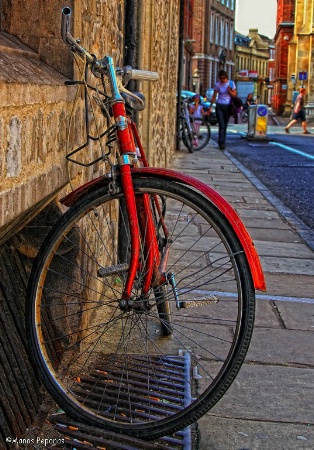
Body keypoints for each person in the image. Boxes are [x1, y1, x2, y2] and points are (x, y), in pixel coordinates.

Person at [208, 69, 236, 149]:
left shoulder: (231, 83)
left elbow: (234, 94)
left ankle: (223, 141)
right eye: (221, 78)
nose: (222, 80)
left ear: (226, 77)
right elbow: (214, 96)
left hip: (228, 106)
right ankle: (221, 143)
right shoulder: (217, 84)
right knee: (221, 125)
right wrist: (210, 107)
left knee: (225, 125)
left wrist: (229, 91)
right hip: (219, 105)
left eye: (223, 78)